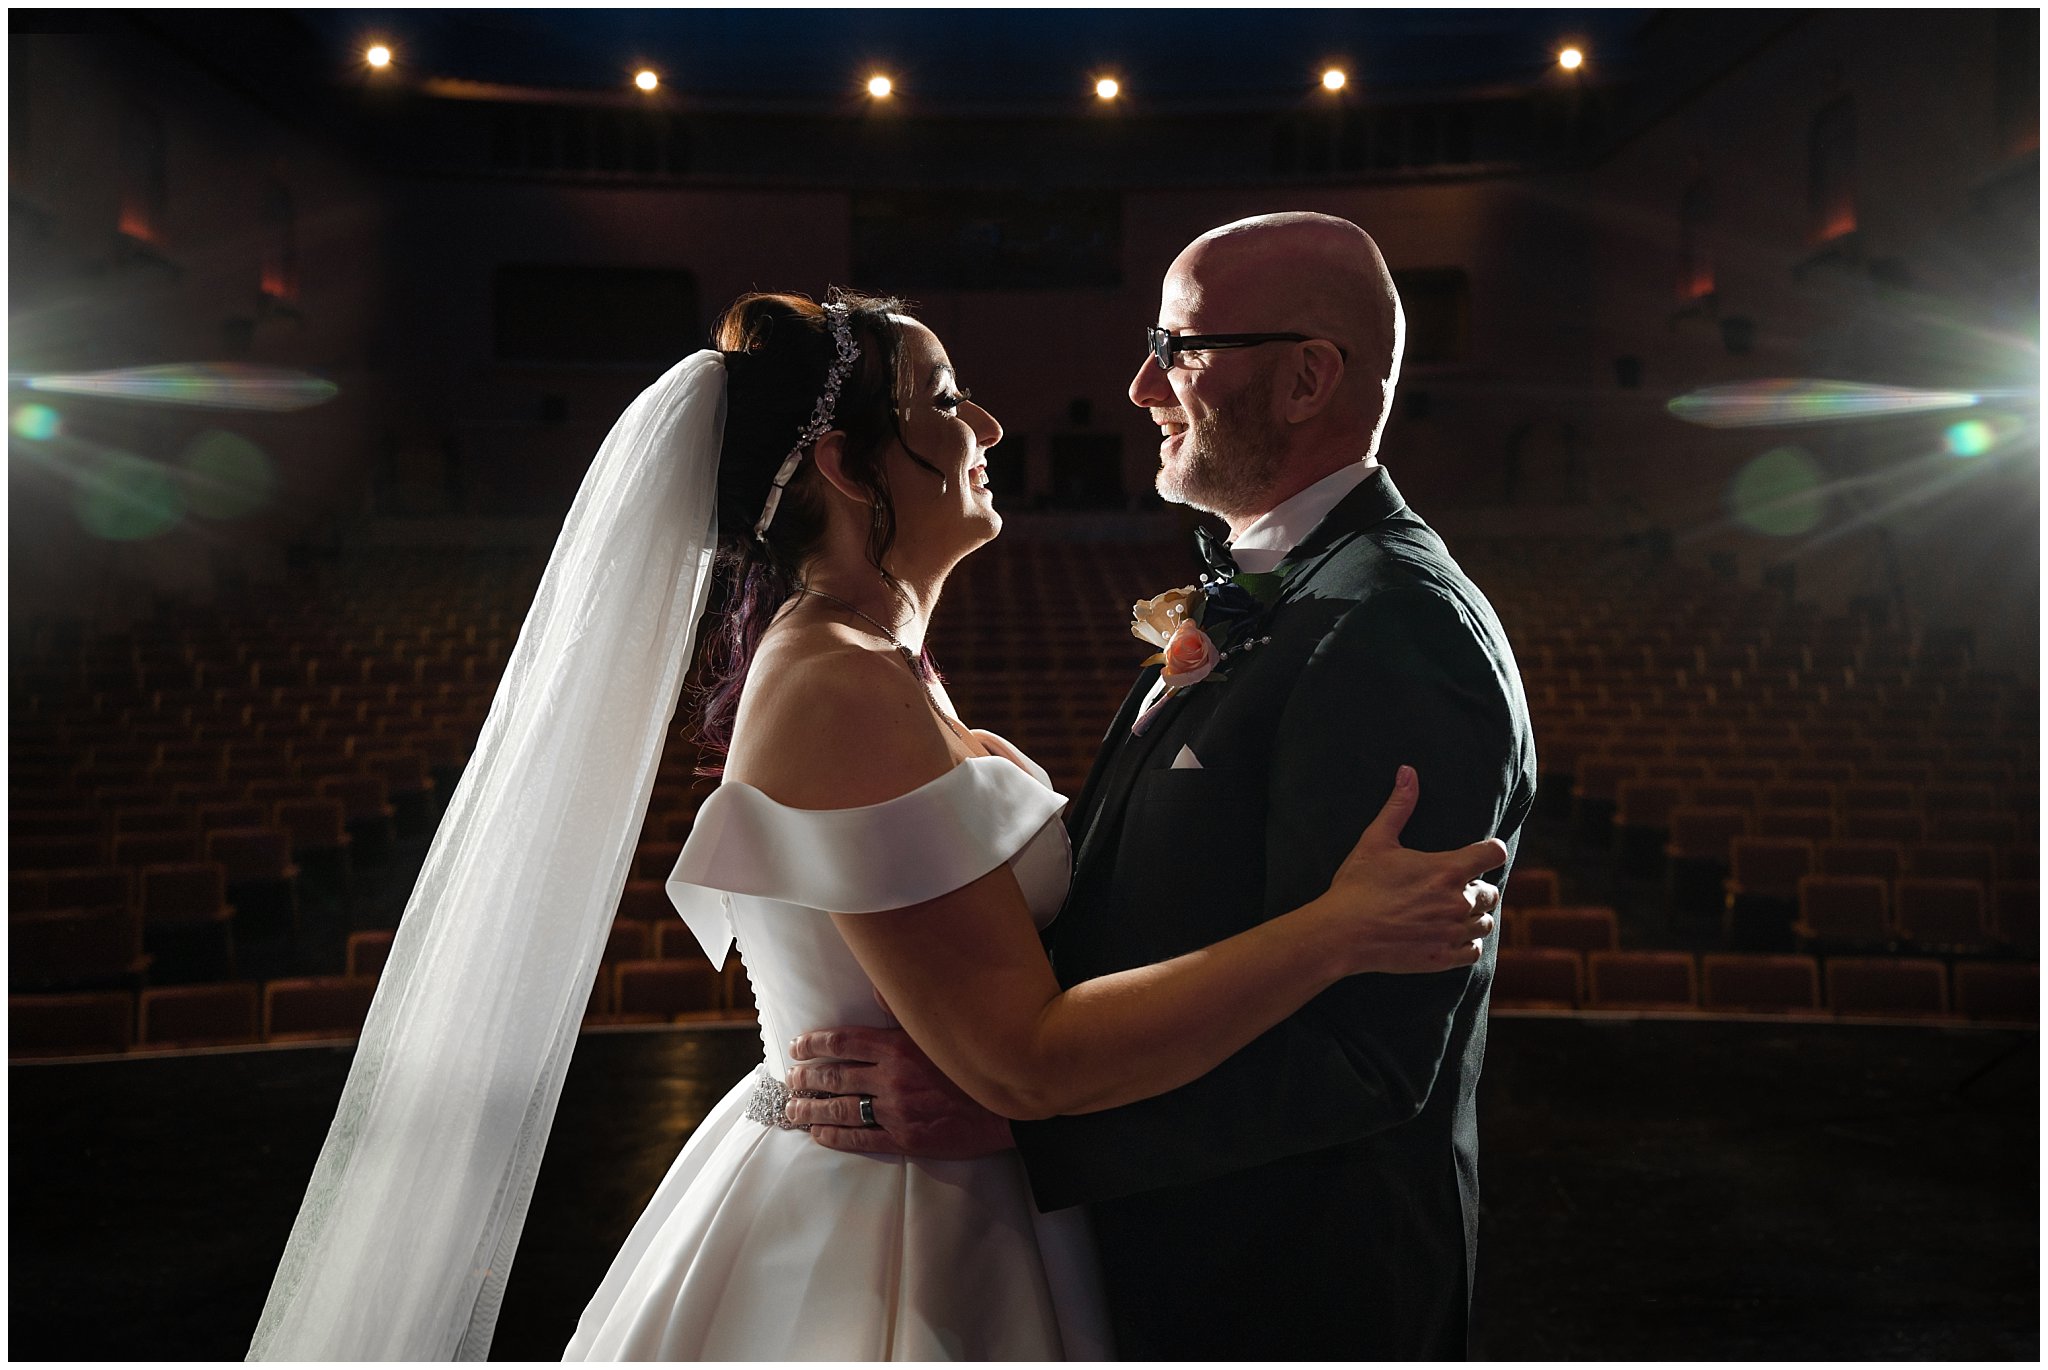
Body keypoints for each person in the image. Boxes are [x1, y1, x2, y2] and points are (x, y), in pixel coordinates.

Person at [249, 286, 1505, 1361]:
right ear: (849, 466)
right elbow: (1022, 1058)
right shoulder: (836, 682)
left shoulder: (882, 665)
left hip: (976, 1193)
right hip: (891, 1237)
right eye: (945, 400)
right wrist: (1336, 930)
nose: (990, 424)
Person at [784, 215, 1538, 1358]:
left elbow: (1364, 1055)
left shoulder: (1393, 626)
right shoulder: (1290, 588)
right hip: (1157, 1260)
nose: (1139, 384)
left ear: (1304, 377)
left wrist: (1019, 1120)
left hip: (1286, 1291)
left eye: (1178, 346)